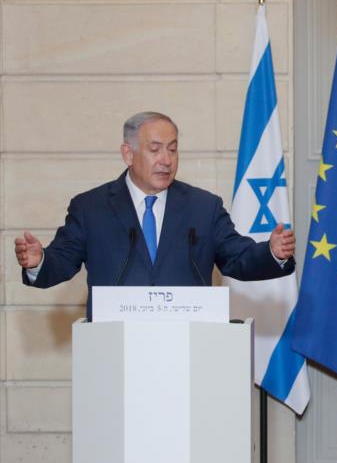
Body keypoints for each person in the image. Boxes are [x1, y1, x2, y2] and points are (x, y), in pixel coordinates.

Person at [14, 111, 296, 320]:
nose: (166, 160)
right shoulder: (91, 208)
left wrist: (272, 253)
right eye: (155, 150)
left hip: (190, 346)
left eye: (172, 150)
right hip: (115, 350)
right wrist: (39, 262)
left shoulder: (203, 206)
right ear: (128, 153)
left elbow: (237, 258)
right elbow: (62, 261)